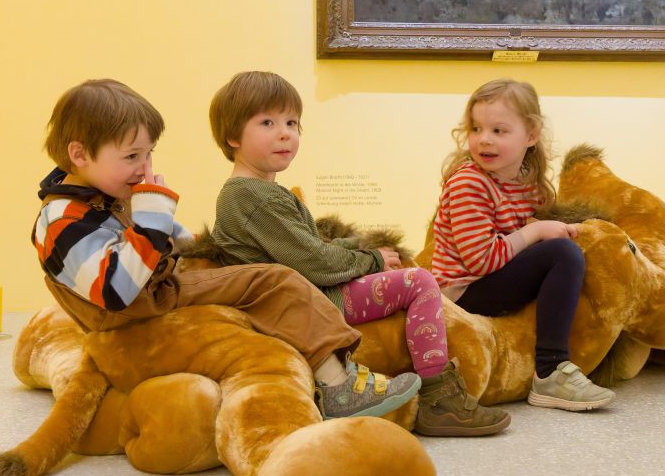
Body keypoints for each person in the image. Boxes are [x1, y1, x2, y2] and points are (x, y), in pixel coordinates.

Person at [34, 78, 419, 419]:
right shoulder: (61, 219)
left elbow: (180, 245)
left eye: (149, 153)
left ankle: (335, 367)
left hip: (158, 289)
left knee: (264, 280)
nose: (144, 166)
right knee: (275, 281)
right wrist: (152, 222)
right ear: (80, 155)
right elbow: (115, 292)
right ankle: (337, 384)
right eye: (132, 156)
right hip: (130, 311)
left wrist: (180, 239)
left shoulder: (108, 196)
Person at [208, 71, 509, 437]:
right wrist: (372, 260)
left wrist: (361, 249)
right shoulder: (252, 196)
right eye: (267, 122)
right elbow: (315, 263)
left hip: (298, 297)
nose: (285, 132)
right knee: (420, 281)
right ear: (232, 136)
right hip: (308, 303)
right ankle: (438, 397)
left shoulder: (256, 192)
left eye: (291, 122)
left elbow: (311, 246)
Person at [433, 78, 615, 410]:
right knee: (562, 254)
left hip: (490, 279)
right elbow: (480, 261)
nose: (483, 139)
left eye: (498, 131)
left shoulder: (525, 180)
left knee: (571, 250)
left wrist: (555, 228)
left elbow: (519, 237)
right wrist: (536, 232)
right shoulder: (469, 183)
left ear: (530, 135)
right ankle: (550, 371)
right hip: (462, 292)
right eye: (476, 128)